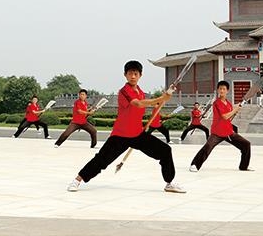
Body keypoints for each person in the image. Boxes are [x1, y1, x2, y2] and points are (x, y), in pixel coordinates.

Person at [66, 60, 185, 193]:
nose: (133, 76)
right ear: (125, 75)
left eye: (135, 73)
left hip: (137, 134)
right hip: (120, 135)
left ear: (140, 75)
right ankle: (77, 180)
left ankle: (169, 183)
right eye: (130, 74)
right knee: (101, 160)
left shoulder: (140, 92)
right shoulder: (124, 91)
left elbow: (149, 103)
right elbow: (138, 104)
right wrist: (161, 98)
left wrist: (165, 97)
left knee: (165, 150)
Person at [189, 81, 252, 172]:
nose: (222, 90)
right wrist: (235, 109)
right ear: (218, 90)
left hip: (228, 132)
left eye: (224, 89)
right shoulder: (217, 103)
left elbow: (229, 118)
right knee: (208, 147)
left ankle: (243, 167)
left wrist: (235, 112)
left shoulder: (229, 104)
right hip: (217, 132)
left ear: (227, 91)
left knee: (246, 144)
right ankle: (195, 164)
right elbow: (225, 116)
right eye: (220, 89)